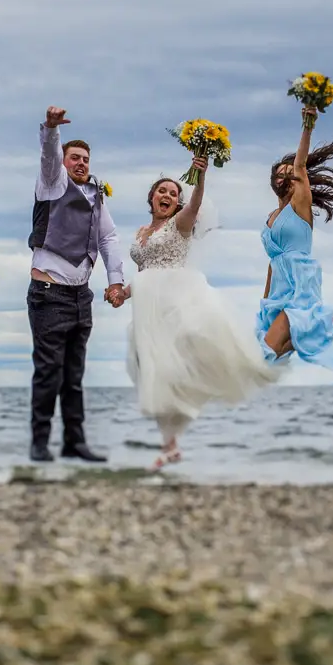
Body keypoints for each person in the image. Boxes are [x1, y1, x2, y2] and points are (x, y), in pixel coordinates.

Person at [128, 157, 278, 469]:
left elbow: (194, 206)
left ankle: (208, 385)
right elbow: (144, 270)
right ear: (151, 198)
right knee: (150, 372)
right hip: (147, 309)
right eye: (162, 191)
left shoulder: (179, 224)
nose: (167, 196)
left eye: (172, 193)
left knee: (177, 365)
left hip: (175, 301)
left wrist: (200, 176)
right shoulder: (141, 231)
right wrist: (121, 292)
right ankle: (170, 446)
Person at [27, 106, 128, 463]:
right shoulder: (51, 183)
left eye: (85, 159)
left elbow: (109, 239)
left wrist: (116, 282)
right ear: (65, 161)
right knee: (48, 371)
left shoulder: (96, 195)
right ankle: (39, 442)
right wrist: (52, 130)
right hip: (49, 293)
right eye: (75, 158)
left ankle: (74, 441)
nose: (81, 163)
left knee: (73, 375)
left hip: (80, 297)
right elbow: (48, 158)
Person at [256, 105, 333, 367]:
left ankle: (316, 321)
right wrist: (264, 299)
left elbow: (299, 165)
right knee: (274, 353)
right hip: (278, 284)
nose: (286, 177)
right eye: (280, 174)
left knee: (264, 353)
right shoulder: (271, 216)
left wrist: (307, 126)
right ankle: (319, 325)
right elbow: (272, 263)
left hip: (300, 281)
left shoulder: (301, 206)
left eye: (291, 175)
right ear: (272, 181)